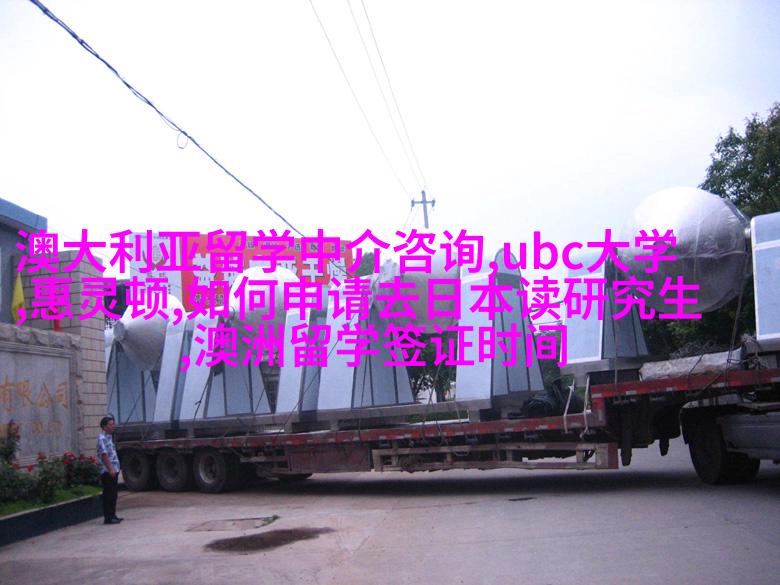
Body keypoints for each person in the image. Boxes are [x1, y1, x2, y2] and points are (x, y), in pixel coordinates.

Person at [96, 415, 123, 525]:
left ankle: (113, 515)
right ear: (104, 426)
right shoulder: (101, 438)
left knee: (114, 494)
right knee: (108, 495)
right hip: (107, 471)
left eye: (113, 424)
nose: (113, 426)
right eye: (110, 424)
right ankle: (108, 517)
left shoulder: (109, 437)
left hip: (114, 469)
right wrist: (110, 469)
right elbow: (104, 455)